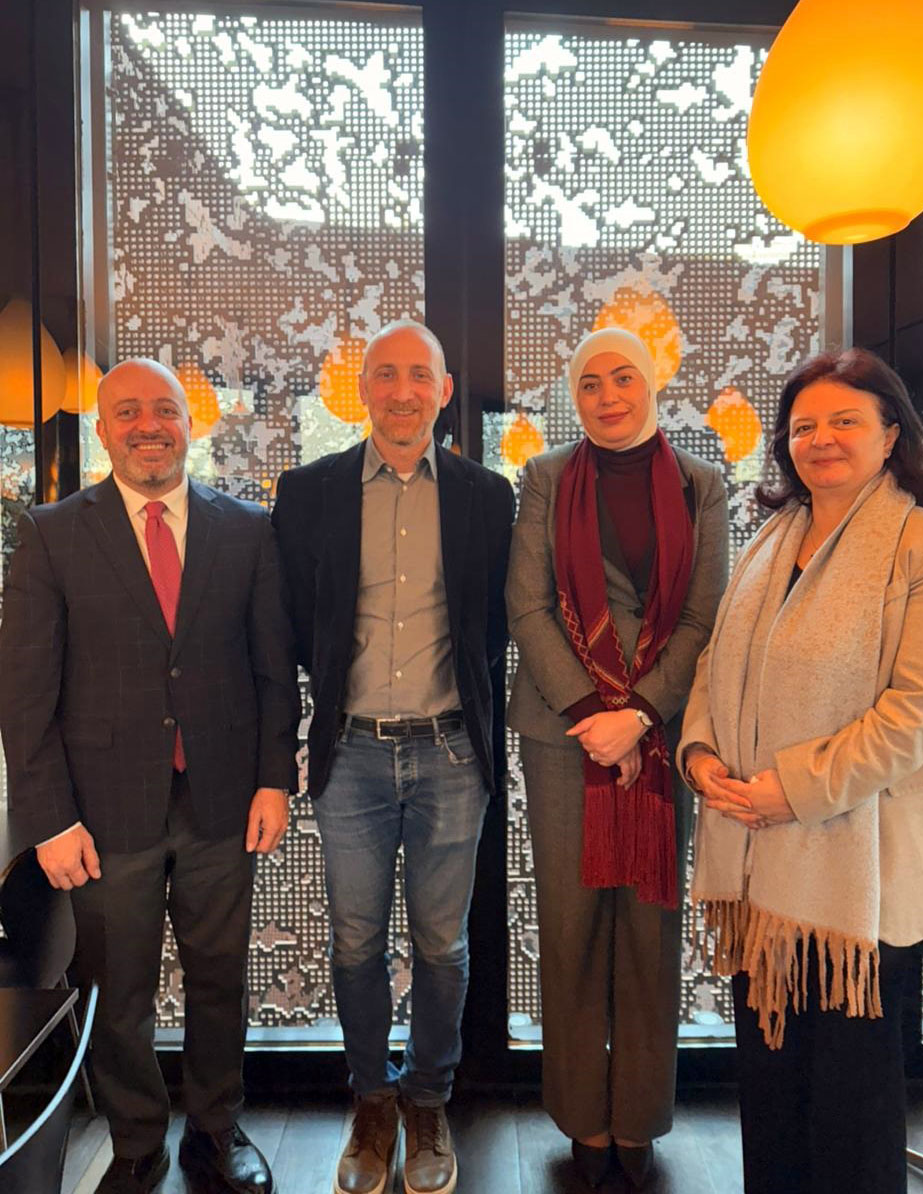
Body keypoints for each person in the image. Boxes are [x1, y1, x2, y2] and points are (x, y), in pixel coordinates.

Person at [0, 359, 300, 1194]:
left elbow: (273, 669)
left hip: (222, 802)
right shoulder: (53, 533)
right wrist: (48, 820)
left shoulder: (247, 529)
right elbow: (24, 694)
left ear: (189, 424)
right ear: (102, 430)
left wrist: (274, 779)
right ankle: (136, 1140)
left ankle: (216, 1131)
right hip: (99, 814)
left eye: (164, 409)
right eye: (127, 411)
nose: (148, 426)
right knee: (117, 988)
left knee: (220, 979)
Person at [680, 348, 923, 1194]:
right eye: (804, 426)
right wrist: (700, 756)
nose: (822, 439)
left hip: (863, 873)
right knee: (770, 1085)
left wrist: (792, 790)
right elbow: (716, 666)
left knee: (850, 1101)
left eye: (845, 421)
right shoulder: (770, 540)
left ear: (891, 436)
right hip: (758, 858)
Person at [271, 319, 514, 1194]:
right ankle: (372, 1101)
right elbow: (294, 625)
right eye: (386, 374)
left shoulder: (489, 496)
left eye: (420, 375)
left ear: (444, 391)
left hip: (452, 753)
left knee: (444, 947)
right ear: (363, 389)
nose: (403, 391)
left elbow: (497, 625)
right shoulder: (309, 492)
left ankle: (428, 1100)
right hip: (353, 757)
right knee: (355, 942)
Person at [506, 326, 729, 1190]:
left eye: (623, 377)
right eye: (590, 383)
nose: (607, 396)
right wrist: (591, 715)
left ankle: (637, 1119)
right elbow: (526, 607)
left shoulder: (701, 483)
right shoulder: (546, 476)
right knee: (569, 928)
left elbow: (705, 616)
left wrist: (636, 717)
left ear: (652, 383)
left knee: (649, 930)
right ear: (576, 395)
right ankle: (582, 1120)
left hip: (660, 733)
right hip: (563, 735)